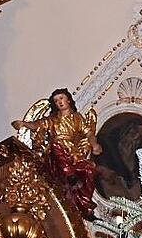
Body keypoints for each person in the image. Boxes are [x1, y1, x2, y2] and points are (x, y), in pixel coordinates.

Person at [12, 88, 101, 220]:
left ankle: (86, 207)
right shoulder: (53, 119)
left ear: (68, 100)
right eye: (56, 100)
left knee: (89, 169)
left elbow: (89, 134)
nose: (59, 102)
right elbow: (37, 125)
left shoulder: (77, 118)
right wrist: (23, 124)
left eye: (61, 98)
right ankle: (69, 174)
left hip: (73, 154)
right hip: (56, 157)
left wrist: (94, 144)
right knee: (55, 146)